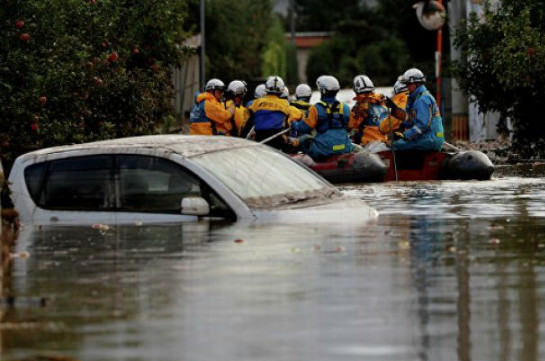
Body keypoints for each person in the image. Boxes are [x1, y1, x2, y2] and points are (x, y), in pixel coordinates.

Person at [291, 75, 353, 159]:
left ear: (322, 91)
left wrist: (294, 123)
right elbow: (350, 127)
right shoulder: (346, 108)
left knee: (305, 138)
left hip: (323, 150)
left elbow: (303, 128)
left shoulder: (315, 109)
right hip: (344, 147)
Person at [383, 68, 444, 151]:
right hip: (429, 137)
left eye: (409, 84)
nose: (407, 87)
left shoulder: (422, 99)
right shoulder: (417, 98)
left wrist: (405, 135)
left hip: (429, 139)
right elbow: (411, 120)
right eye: (406, 84)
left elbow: (422, 125)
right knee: (397, 143)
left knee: (395, 146)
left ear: (417, 83)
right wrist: (396, 111)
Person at [244, 75, 292, 150]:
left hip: (259, 138)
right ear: (282, 90)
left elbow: (247, 120)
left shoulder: (256, 102)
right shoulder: (285, 104)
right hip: (276, 139)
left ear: (266, 88)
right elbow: (287, 123)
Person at [348, 75, 389, 145]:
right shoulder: (381, 101)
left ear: (356, 91)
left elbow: (350, 127)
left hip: (370, 144)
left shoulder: (359, 108)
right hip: (386, 141)